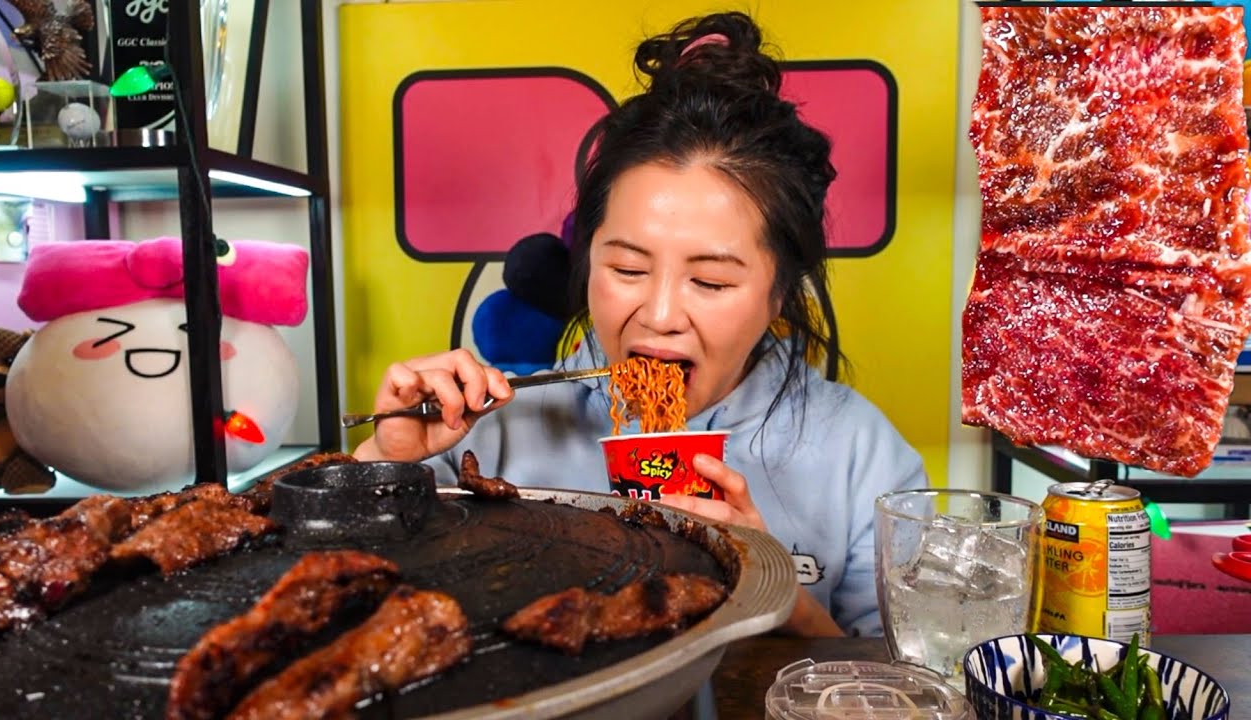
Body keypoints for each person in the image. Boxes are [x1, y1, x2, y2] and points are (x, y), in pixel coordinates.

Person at [355, 11, 927, 638]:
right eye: (627, 268)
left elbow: (897, 686)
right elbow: (358, 613)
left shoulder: (860, 456)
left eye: (709, 282)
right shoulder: (489, 433)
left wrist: (771, 585)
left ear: (778, 295)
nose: (657, 316)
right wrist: (385, 462)